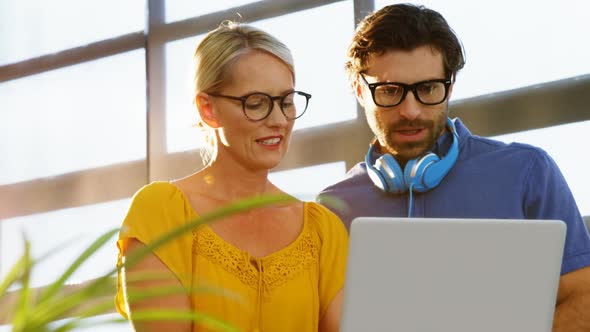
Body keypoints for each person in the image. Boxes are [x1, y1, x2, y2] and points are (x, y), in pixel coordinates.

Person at [317, 3, 590, 331]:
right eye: (390, 91)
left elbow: (583, 297)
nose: (411, 110)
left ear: (450, 86)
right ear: (361, 91)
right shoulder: (329, 211)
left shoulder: (528, 172)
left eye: (428, 88)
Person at [115, 21, 348, 332]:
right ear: (207, 109)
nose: (279, 120)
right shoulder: (162, 213)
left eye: (286, 102)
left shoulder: (323, 230)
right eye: (256, 104)